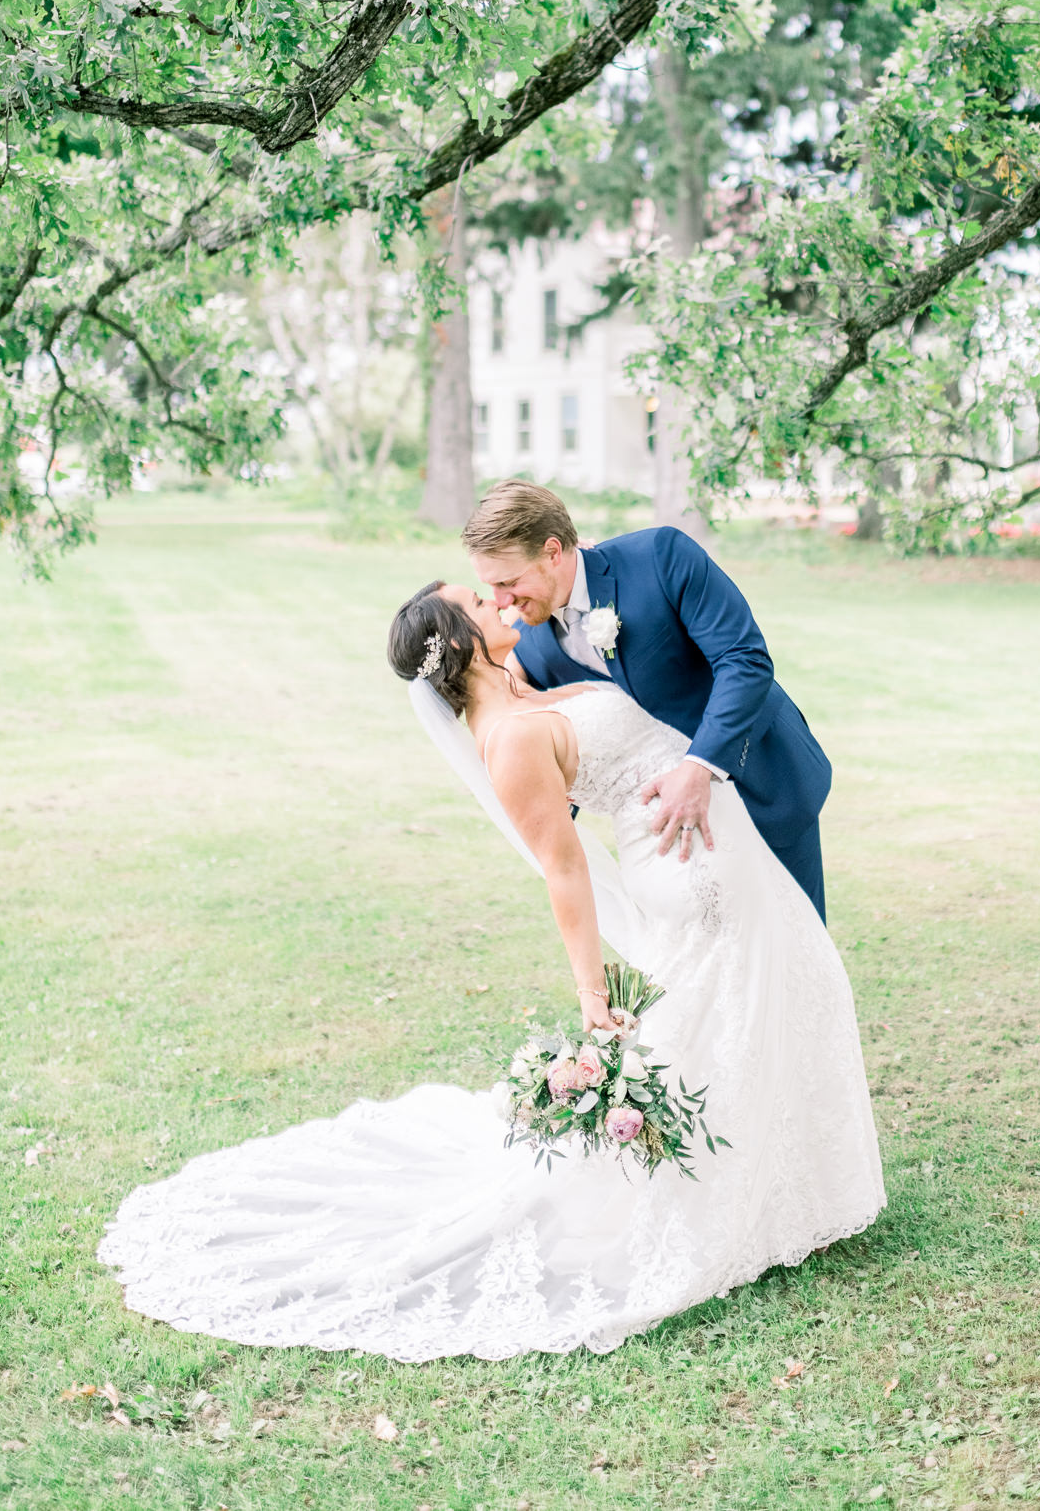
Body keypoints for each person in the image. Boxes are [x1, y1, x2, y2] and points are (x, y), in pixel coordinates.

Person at [97, 561, 883, 1363]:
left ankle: (781, 1187)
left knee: (760, 1005)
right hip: (693, 864)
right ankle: (746, 1200)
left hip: (707, 836)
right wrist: (590, 994)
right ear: (459, 642)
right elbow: (565, 869)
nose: (498, 601)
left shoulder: (525, 687)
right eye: (479, 602)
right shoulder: (505, 740)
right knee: (745, 1008)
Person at [465, 480, 833, 919]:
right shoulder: (530, 642)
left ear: (552, 552)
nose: (502, 601)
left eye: (508, 582)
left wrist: (700, 767)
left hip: (763, 780)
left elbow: (744, 660)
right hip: (679, 841)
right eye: (490, 587)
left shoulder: (660, 557)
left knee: (799, 952)